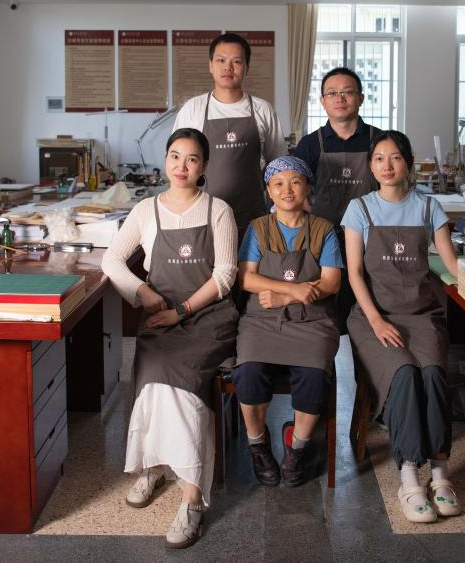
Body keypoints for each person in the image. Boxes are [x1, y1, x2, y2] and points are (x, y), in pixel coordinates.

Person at [102, 127, 238, 549]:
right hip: (161, 315)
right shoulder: (146, 210)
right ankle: (154, 466)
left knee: (185, 384)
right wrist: (143, 293)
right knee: (152, 374)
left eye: (192, 158)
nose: (182, 166)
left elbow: (226, 275)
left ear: (205, 166)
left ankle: (192, 497)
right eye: (175, 156)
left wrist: (183, 310)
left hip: (208, 316)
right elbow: (112, 260)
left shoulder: (218, 210)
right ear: (165, 160)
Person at [341, 130, 461, 524]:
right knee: (405, 373)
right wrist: (376, 320)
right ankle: (409, 476)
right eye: (379, 158)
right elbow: (354, 274)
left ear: (408, 163)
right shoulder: (359, 209)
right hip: (374, 316)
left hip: (422, 314)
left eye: (395, 157)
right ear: (370, 165)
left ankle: (440, 472)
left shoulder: (429, 207)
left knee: (433, 374)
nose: (387, 166)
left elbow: (452, 264)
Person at [232, 156, 341, 487]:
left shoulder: (323, 229)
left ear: (307, 187)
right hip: (261, 320)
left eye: (295, 182)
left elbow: (331, 283)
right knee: (248, 373)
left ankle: (298, 446)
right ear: (269, 190)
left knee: (314, 377)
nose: (287, 190)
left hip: (311, 322)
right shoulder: (258, 229)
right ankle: (258, 444)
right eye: (278, 183)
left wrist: (285, 299)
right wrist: (293, 290)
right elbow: (246, 279)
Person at [294, 67, 382, 332]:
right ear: (323, 101)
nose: (340, 98)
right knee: (327, 312)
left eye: (347, 92)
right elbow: (295, 189)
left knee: (368, 307)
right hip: (324, 241)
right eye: (332, 93)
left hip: (371, 239)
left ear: (361, 98)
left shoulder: (379, 140)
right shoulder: (310, 144)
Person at [172, 32, 287, 233]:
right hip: (202, 217)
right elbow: (177, 164)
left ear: (246, 67)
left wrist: (279, 209)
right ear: (210, 65)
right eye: (221, 60)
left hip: (253, 218)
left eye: (237, 61)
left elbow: (279, 165)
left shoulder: (262, 109)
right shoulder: (193, 109)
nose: (228, 67)